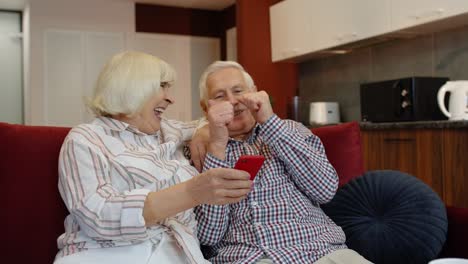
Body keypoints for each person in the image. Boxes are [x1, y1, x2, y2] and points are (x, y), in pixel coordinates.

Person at [54, 51, 253, 264]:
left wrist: (204, 130)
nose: (170, 97)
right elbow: (97, 217)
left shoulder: (170, 131)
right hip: (107, 255)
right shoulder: (86, 139)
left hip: (179, 255)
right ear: (132, 86)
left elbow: (207, 121)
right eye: (163, 86)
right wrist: (191, 192)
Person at [194, 61, 372, 263]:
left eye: (238, 91)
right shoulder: (200, 150)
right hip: (251, 258)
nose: (232, 101)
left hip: (320, 250)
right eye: (219, 96)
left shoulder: (292, 130)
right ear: (205, 108)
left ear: (254, 92)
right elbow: (209, 236)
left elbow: (325, 190)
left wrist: (270, 122)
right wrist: (216, 146)